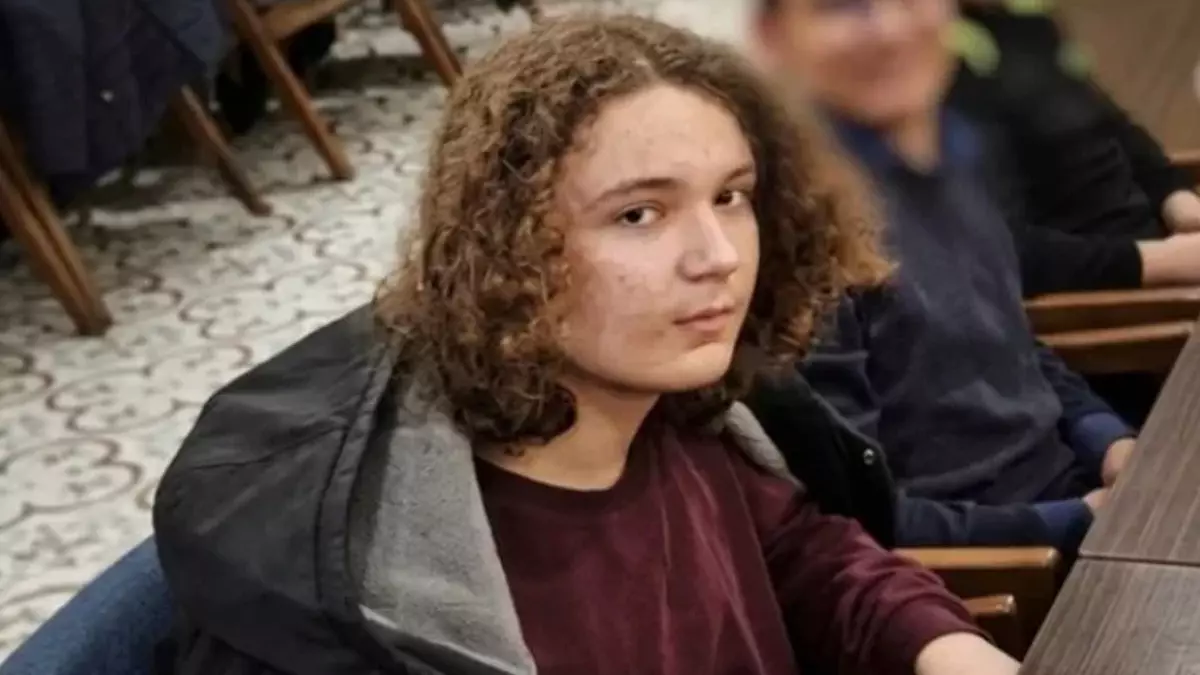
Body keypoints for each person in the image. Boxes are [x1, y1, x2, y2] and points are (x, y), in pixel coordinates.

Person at [152, 15, 1020, 675]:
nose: (717, 258)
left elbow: (796, 550)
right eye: (638, 214)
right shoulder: (417, 596)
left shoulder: (679, 413)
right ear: (510, 248)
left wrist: (945, 646)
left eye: (731, 197)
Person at [754, 0, 1138, 552]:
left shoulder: (950, 157)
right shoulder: (791, 237)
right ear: (774, 36)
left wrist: (1108, 440)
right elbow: (861, 520)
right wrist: (1070, 521)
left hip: (1082, 494)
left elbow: (1016, 346)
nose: (887, 29)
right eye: (841, 7)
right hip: (1013, 571)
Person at [947, 0, 1200, 297]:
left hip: (1168, 252)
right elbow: (1000, 250)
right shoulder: (932, 74)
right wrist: (1157, 261)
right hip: (1114, 302)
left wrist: (1181, 204)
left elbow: (1112, 126)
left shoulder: (1023, 20)